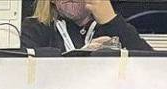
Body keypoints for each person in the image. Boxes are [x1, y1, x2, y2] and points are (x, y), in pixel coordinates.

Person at [20, 0, 152, 52]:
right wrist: (82, 57)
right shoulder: (33, 28)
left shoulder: (113, 25)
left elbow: (154, 69)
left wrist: (112, 21)